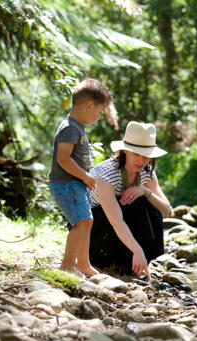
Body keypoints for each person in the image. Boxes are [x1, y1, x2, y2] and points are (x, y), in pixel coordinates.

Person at [89, 121, 172, 280]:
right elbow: (116, 220)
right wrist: (137, 250)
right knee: (133, 204)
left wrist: (145, 191)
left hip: (118, 230)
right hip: (95, 229)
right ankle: (120, 261)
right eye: (136, 154)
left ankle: (132, 264)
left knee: (146, 202)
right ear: (125, 151)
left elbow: (166, 211)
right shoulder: (105, 174)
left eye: (146, 155)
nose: (141, 160)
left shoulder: (147, 173)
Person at [48, 78, 113, 278]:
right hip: (67, 185)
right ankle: (67, 266)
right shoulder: (70, 127)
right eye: (99, 111)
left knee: (87, 221)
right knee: (82, 222)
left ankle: (84, 264)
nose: (99, 116)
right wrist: (85, 175)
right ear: (89, 105)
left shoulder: (76, 126)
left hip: (76, 184)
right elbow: (63, 158)